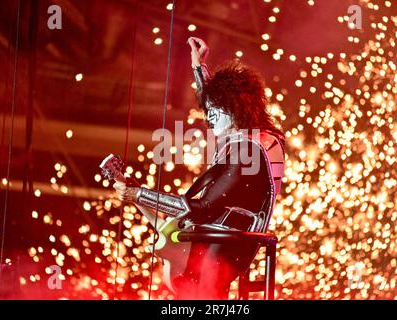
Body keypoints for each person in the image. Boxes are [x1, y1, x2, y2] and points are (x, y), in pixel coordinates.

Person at [114, 37, 285, 299]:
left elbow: (201, 207)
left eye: (215, 109)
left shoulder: (248, 149)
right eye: (209, 108)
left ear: (235, 109)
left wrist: (140, 195)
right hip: (218, 236)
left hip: (226, 243)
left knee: (202, 293)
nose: (209, 116)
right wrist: (199, 67)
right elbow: (219, 103)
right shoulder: (243, 135)